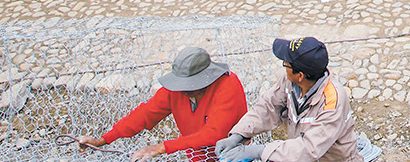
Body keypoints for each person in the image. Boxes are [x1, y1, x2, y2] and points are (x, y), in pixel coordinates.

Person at [79, 47, 247, 162]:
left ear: (207, 78)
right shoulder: (176, 91)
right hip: (197, 154)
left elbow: (213, 135)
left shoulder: (228, 86)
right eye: (181, 84)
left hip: (232, 154)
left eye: (191, 84)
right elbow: (145, 114)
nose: (184, 89)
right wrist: (103, 140)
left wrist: (160, 148)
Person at [217, 37, 360, 162]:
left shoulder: (332, 102)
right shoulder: (290, 82)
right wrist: (238, 135)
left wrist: (260, 151)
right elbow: (268, 106)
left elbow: (309, 148)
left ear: (300, 75)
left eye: (286, 64)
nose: (284, 67)